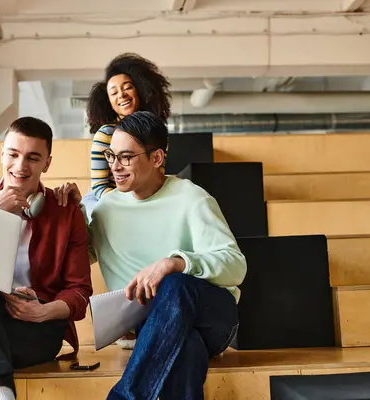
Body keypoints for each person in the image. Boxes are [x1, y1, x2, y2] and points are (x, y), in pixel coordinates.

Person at [56, 111, 247, 400]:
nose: (115, 167)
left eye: (126, 157)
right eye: (111, 156)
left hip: (212, 317)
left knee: (173, 284)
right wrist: (72, 213)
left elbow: (236, 266)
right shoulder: (107, 207)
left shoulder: (192, 198)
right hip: (155, 329)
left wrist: (174, 263)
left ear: (156, 158)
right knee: (187, 349)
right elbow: (82, 256)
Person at [0, 117, 93, 400]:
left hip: (38, 329)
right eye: (13, 154)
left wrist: (43, 311)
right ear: (2, 154)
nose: (21, 166)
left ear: (47, 163)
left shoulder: (66, 212)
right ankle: (1, 393)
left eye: (33, 158)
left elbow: (80, 292)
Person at [82, 52, 171, 216]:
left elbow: (157, 177)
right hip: (107, 204)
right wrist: (130, 206)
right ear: (108, 101)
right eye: (113, 92)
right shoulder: (105, 134)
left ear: (141, 90)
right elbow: (99, 187)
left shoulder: (156, 133)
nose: (121, 94)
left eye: (128, 87)